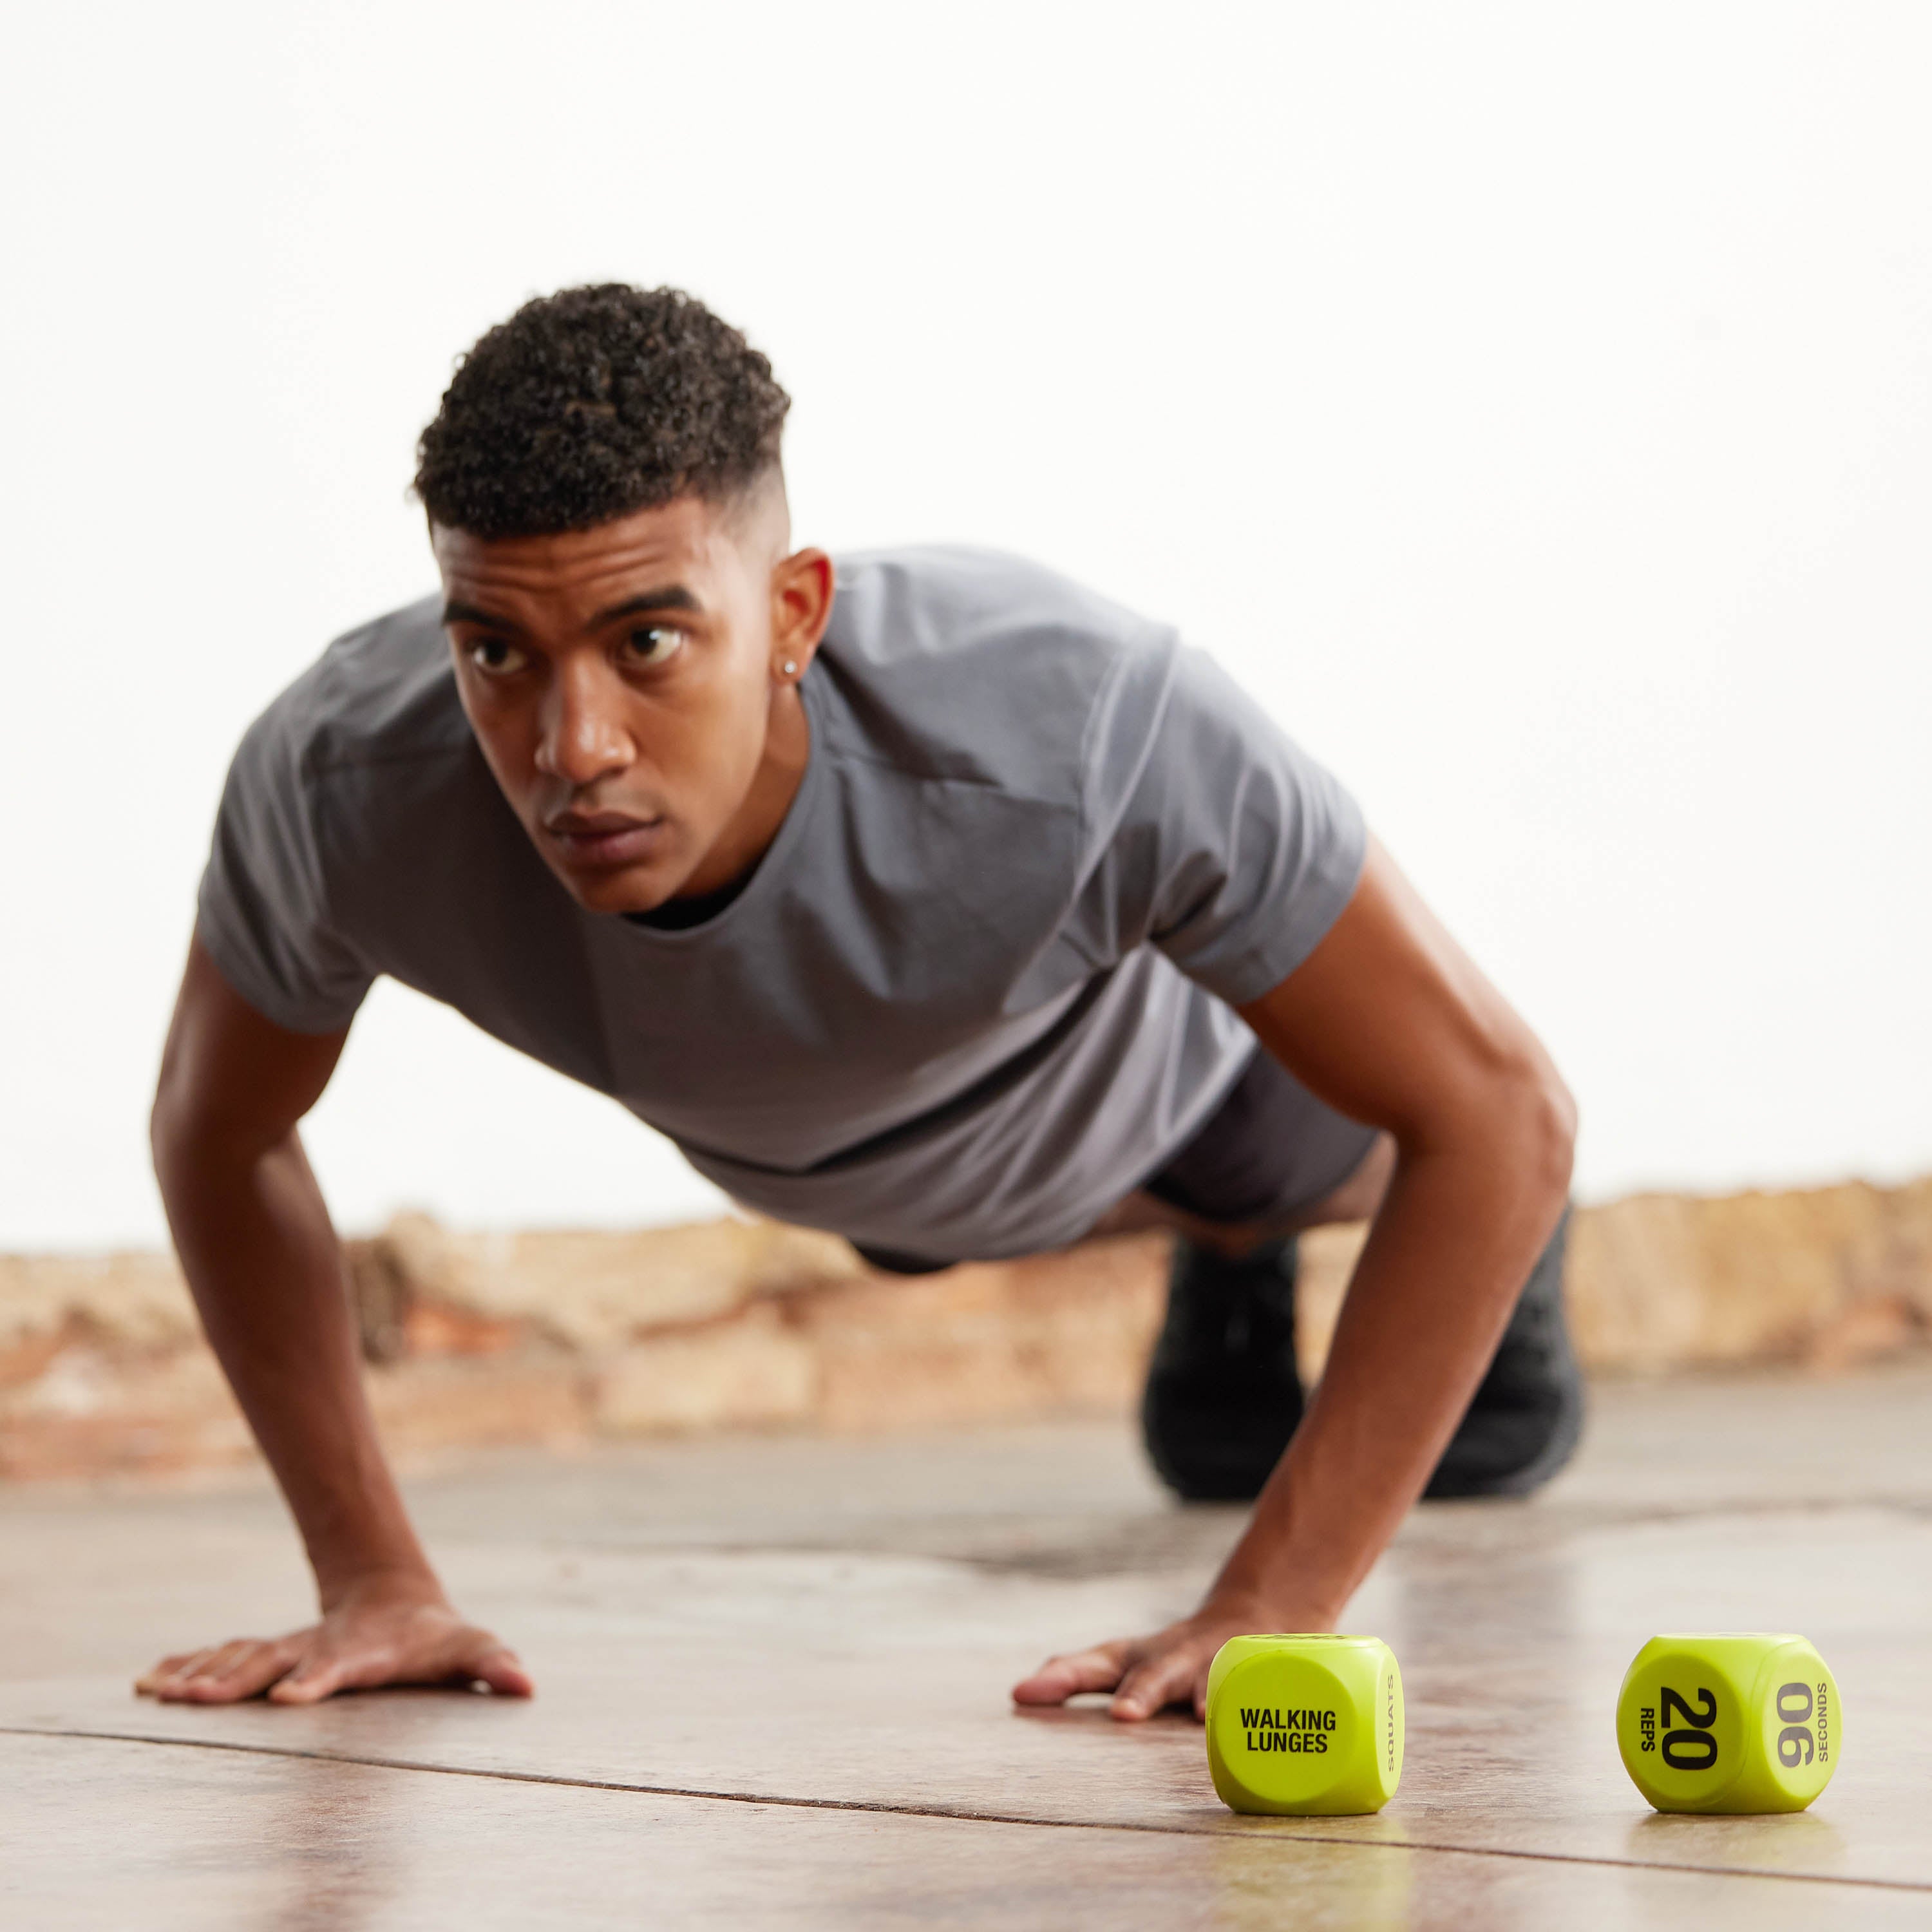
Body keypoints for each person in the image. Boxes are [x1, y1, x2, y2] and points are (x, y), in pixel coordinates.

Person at [138, 284, 1579, 1722]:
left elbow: (1503, 1113)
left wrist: (1274, 1603)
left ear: (793, 613)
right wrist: (373, 1579)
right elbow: (218, 1134)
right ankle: (1217, 1249)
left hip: (1172, 1088)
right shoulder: (341, 787)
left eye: (647, 642)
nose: (570, 750)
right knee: (920, 1230)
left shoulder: (1082, 722)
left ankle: (1261, 1241)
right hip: (857, 1173)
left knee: (1296, 1172)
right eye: (499, 654)